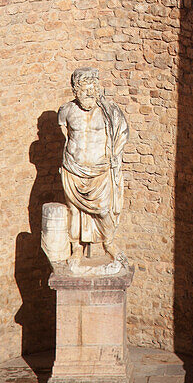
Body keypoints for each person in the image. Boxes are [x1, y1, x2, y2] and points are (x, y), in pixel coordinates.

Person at [58, 67, 129, 261]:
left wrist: (114, 156)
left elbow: (122, 133)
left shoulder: (109, 112)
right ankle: (76, 248)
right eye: (84, 89)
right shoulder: (66, 111)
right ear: (75, 90)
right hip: (73, 169)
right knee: (73, 210)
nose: (90, 93)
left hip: (100, 172)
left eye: (92, 88)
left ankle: (109, 243)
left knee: (104, 210)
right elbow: (67, 138)